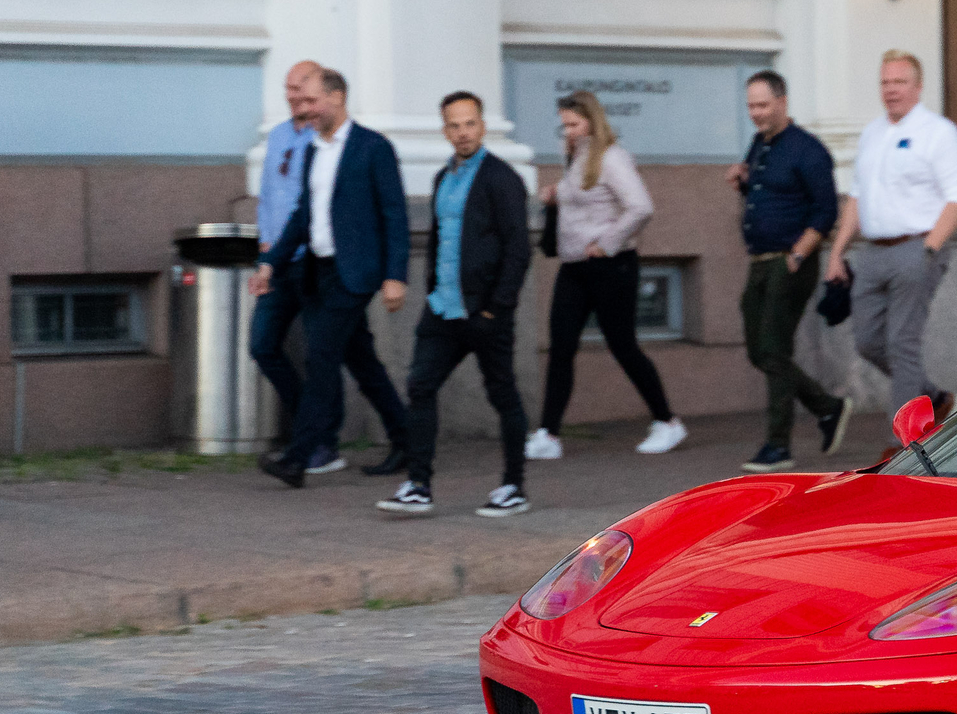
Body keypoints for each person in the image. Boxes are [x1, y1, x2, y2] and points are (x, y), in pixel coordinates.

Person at [250, 69, 412, 488]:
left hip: (353, 274)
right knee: (363, 363)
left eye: (312, 101)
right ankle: (409, 440)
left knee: (321, 358)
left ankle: (298, 458)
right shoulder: (312, 151)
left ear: (337, 98)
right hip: (317, 272)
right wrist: (273, 263)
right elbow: (303, 215)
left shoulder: (372, 148)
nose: (306, 110)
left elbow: (395, 214)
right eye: (302, 103)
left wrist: (396, 275)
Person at [379, 92, 533, 518]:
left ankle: (513, 486)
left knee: (502, 395)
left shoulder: (501, 179)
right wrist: (430, 288)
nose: (462, 132)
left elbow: (518, 250)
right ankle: (418, 485)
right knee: (420, 386)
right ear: (444, 130)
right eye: (453, 125)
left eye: (469, 124)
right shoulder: (442, 179)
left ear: (482, 126)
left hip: (485, 312)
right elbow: (441, 241)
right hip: (443, 307)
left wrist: (495, 308)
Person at [527, 90, 685, 460]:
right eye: (564, 124)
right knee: (561, 346)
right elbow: (586, 199)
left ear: (592, 121)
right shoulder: (578, 156)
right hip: (575, 267)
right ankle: (548, 433)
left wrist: (606, 243)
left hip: (610, 266)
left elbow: (641, 207)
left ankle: (667, 422)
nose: (568, 131)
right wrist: (557, 194)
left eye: (575, 124)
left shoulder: (612, 158)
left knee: (623, 345)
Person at [822, 50, 957, 431]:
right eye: (886, 82)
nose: (891, 90)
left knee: (902, 344)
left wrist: (928, 250)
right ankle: (936, 399)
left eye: (900, 82)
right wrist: (837, 253)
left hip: (917, 248)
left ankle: (907, 440)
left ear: (918, 87)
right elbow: (856, 196)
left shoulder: (939, 133)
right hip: (872, 253)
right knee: (868, 342)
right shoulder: (873, 133)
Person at [727, 70, 849, 474]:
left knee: (775, 350)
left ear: (782, 101)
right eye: (750, 106)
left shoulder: (808, 149)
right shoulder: (759, 144)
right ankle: (827, 407)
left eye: (762, 105)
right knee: (758, 349)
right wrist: (743, 181)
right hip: (760, 261)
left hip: (790, 260)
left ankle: (779, 445)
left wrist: (799, 254)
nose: (756, 113)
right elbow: (769, 195)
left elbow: (826, 210)